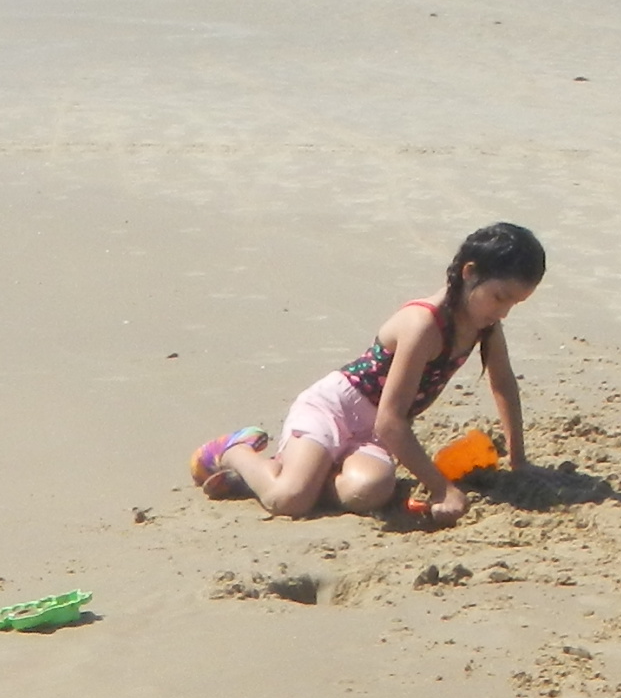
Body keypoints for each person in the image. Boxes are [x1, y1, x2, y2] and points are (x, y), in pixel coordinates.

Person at [192, 223, 543, 525]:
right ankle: (234, 451)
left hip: (372, 433)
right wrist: (442, 489)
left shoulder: (487, 326)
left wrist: (519, 460)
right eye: (500, 297)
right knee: (290, 501)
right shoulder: (423, 324)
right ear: (469, 272)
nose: (505, 312)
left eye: (515, 303)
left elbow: (503, 385)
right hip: (333, 409)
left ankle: (290, 474)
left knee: (370, 492)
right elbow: (391, 422)